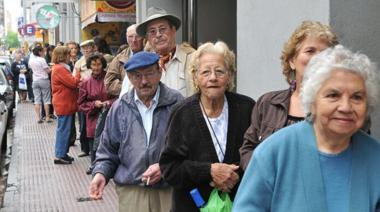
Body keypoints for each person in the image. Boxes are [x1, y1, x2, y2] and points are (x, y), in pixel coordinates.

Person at [233, 45, 380, 211]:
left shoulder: (376, 158)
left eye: (357, 97)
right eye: (333, 95)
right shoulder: (274, 153)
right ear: (312, 101)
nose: (346, 107)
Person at [159, 41, 255, 212]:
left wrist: (233, 176)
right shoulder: (182, 113)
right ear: (195, 77)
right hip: (191, 206)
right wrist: (208, 171)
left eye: (220, 71)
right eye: (205, 72)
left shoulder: (246, 108)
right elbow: (170, 169)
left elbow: (257, 159)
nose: (213, 77)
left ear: (230, 75)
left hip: (239, 206)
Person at [89, 52, 183, 212]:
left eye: (149, 74)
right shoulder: (119, 108)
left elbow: (189, 148)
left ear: (160, 72)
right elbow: (107, 151)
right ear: (129, 78)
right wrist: (101, 174)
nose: (144, 81)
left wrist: (165, 167)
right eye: (137, 76)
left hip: (169, 188)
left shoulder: (177, 103)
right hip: (132, 191)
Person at [239, 21, 340, 170]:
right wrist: (264, 176)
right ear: (292, 61)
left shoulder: (343, 107)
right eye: (310, 51)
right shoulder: (267, 104)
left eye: (324, 53)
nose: (317, 58)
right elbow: (248, 149)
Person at [136, 7, 195, 97]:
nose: (158, 35)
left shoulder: (192, 60)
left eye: (162, 29)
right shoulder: (140, 65)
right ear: (147, 38)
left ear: (173, 31)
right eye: (152, 31)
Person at [78, 53, 116, 174]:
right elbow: (81, 104)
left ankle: (111, 166)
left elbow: (118, 96)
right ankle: (94, 165)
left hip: (110, 116)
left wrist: (109, 103)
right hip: (93, 118)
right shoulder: (85, 83)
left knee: (110, 142)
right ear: (89, 66)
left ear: (103, 65)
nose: (96, 67)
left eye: (99, 64)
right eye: (93, 65)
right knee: (94, 143)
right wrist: (94, 104)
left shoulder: (109, 80)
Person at [51, 46, 81, 164]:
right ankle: (59, 155)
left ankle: (63, 153)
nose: (70, 56)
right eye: (68, 54)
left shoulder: (60, 68)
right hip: (64, 103)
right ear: (63, 56)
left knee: (65, 129)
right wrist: (78, 73)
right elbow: (73, 83)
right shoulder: (59, 69)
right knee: (64, 129)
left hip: (65, 102)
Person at [104, 24, 144, 96]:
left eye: (137, 36)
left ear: (143, 37)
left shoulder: (152, 54)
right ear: (126, 38)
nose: (134, 40)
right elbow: (109, 83)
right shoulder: (119, 58)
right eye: (130, 37)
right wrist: (129, 87)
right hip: (127, 101)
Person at [74, 40, 96, 157]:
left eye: (88, 48)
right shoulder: (79, 63)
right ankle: (84, 148)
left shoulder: (97, 59)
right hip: (83, 94)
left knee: (95, 122)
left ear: (93, 48)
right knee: (83, 123)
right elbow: (75, 78)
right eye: (84, 49)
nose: (86, 50)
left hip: (96, 93)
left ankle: (96, 149)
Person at [28, 46, 52, 123]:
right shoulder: (42, 59)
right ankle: (47, 117)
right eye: (43, 51)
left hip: (35, 81)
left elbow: (31, 68)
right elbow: (47, 71)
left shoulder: (31, 60)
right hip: (44, 80)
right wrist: (52, 68)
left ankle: (38, 118)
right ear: (39, 52)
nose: (44, 53)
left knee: (37, 100)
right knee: (46, 99)